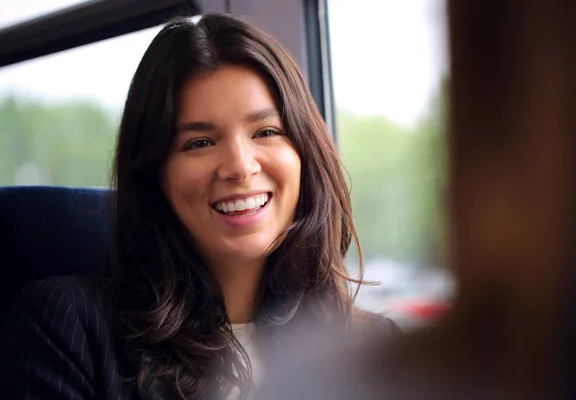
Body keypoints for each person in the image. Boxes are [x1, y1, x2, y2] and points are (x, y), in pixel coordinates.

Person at [1, 13, 397, 400]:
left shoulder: (372, 347)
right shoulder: (66, 326)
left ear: (305, 154)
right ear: (155, 173)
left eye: (267, 132)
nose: (241, 167)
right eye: (199, 143)